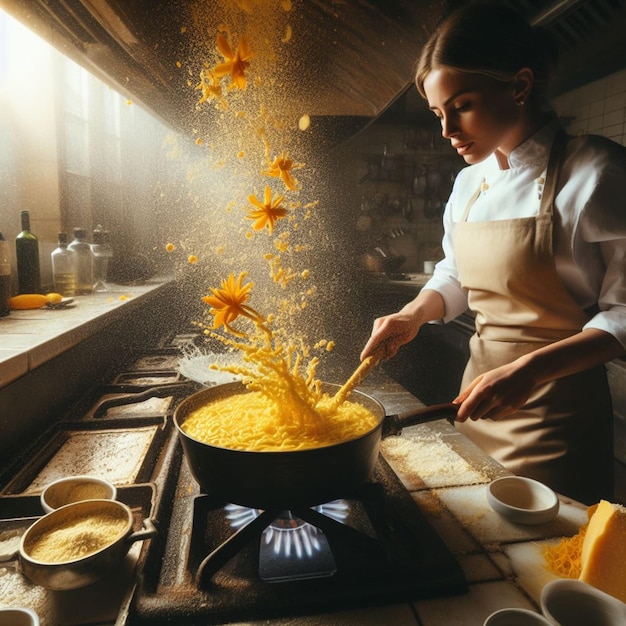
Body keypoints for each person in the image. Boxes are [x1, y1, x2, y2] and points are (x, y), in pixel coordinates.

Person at [360, 0, 626, 505]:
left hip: (557, 420)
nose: (446, 131)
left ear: (520, 86)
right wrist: (412, 315)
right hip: (477, 406)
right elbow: (457, 272)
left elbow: (624, 313)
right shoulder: (468, 183)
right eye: (439, 113)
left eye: (461, 106)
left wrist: (528, 371)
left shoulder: (597, 173)